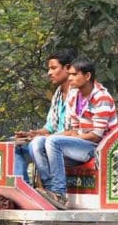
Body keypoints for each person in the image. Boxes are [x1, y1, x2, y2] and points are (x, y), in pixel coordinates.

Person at [34, 57, 118, 210]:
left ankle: (59, 193)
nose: (70, 78)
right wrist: (53, 136)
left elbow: (96, 135)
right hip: (80, 144)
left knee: (53, 142)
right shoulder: (74, 96)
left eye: (74, 74)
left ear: (87, 76)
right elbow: (73, 129)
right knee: (38, 142)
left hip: (97, 148)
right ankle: (49, 189)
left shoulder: (101, 97)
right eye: (70, 74)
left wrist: (68, 137)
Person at [13, 49, 75, 184]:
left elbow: (78, 132)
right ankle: (25, 189)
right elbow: (50, 127)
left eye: (54, 68)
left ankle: (50, 186)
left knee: (39, 144)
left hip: (67, 145)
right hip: (50, 141)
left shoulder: (79, 94)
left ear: (68, 68)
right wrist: (32, 134)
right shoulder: (58, 94)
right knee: (15, 148)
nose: (49, 73)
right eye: (49, 69)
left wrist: (45, 137)